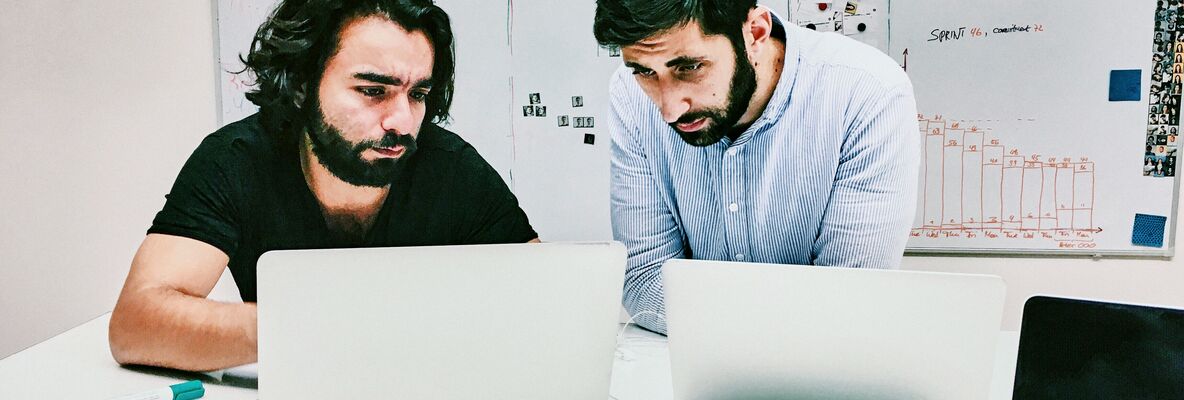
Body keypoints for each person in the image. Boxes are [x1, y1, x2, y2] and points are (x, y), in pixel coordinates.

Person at [109, 0, 538, 371]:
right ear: (301, 85)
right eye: (373, 91)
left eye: (418, 95)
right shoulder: (237, 160)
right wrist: (321, 326)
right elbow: (136, 325)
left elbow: (546, 300)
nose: (403, 122)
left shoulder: (452, 167)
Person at [594, 0, 919, 333]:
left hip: (822, 364)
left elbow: (848, 297)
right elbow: (644, 279)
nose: (669, 110)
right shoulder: (630, 96)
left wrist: (710, 318)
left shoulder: (868, 92)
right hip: (689, 360)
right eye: (645, 72)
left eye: (689, 67)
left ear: (755, 32)